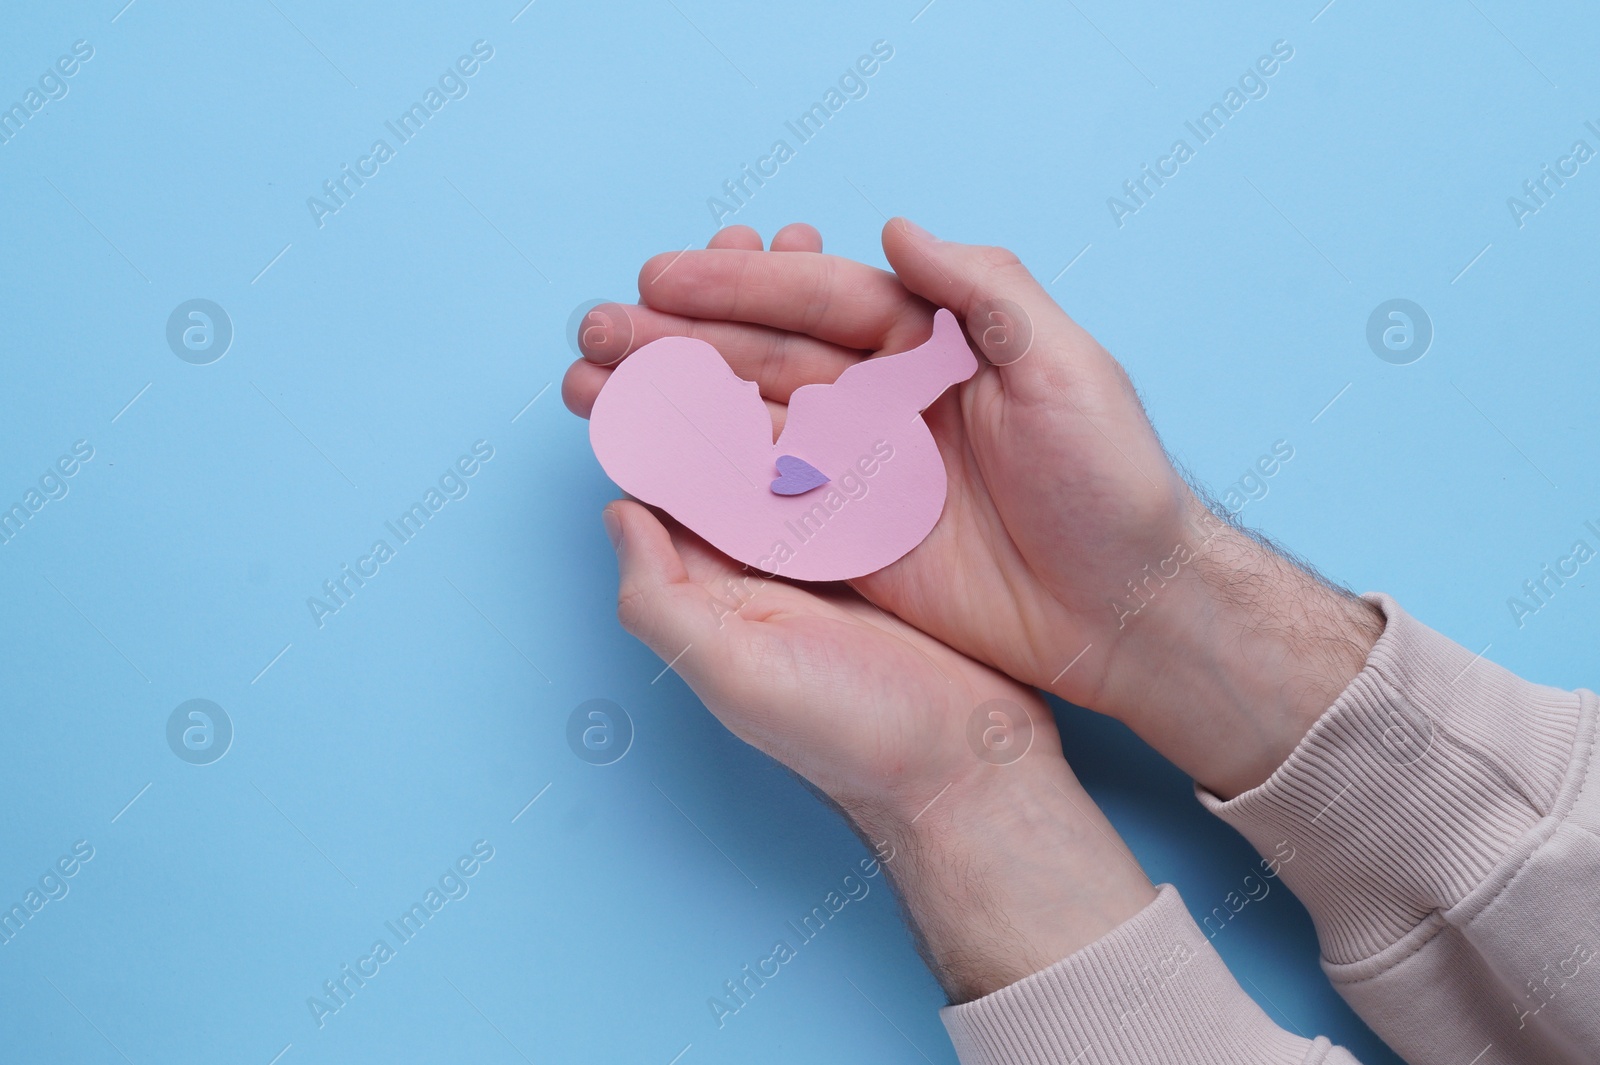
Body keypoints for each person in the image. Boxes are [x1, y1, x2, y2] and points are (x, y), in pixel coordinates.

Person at [561, 220, 1599, 1065]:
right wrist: (1166, 613)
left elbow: (879, 399)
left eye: (735, 393)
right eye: (727, 406)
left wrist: (960, 796)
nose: (749, 398)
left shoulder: (819, 437)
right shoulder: (805, 452)